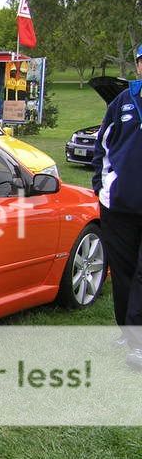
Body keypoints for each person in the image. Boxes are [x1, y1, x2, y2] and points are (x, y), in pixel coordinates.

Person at [92, 44, 142, 368]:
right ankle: (128, 330)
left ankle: (138, 342)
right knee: (122, 273)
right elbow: (102, 147)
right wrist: (101, 186)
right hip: (119, 206)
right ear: (138, 66)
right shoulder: (122, 103)